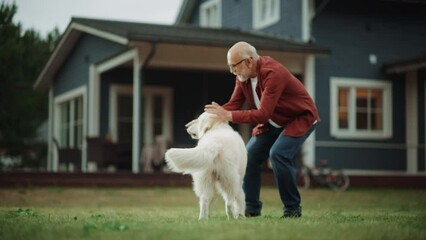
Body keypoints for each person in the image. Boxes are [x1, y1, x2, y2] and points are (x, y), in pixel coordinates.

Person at [204, 41, 320, 218]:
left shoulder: (273, 73)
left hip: (299, 119)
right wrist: (208, 119)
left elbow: (262, 114)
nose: (231, 71)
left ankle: (292, 210)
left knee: (278, 154)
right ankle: (251, 209)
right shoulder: (242, 77)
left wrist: (227, 116)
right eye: (230, 67)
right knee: (249, 156)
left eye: (234, 66)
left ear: (249, 62)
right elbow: (233, 106)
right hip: (273, 122)